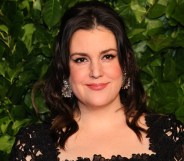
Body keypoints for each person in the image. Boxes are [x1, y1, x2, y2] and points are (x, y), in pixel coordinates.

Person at [9, 1, 184, 161]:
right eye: (81, 59)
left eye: (107, 56)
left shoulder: (169, 135)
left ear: (125, 63)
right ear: (65, 69)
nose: (96, 72)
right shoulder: (32, 145)